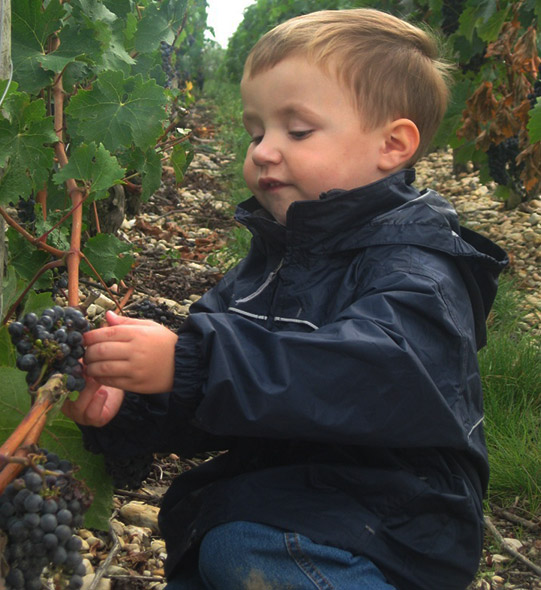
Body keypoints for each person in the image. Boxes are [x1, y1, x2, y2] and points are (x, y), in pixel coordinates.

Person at [62, 8, 509, 590]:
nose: (265, 151)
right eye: (256, 132)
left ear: (393, 145)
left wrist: (192, 362)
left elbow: (367, 376)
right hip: (292, 510)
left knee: (238, 545)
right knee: (219, 546)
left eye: (296, 132)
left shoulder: (417, 266)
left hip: (390, 523)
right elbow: (227, 399)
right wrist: (136, 401)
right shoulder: (270, 263)